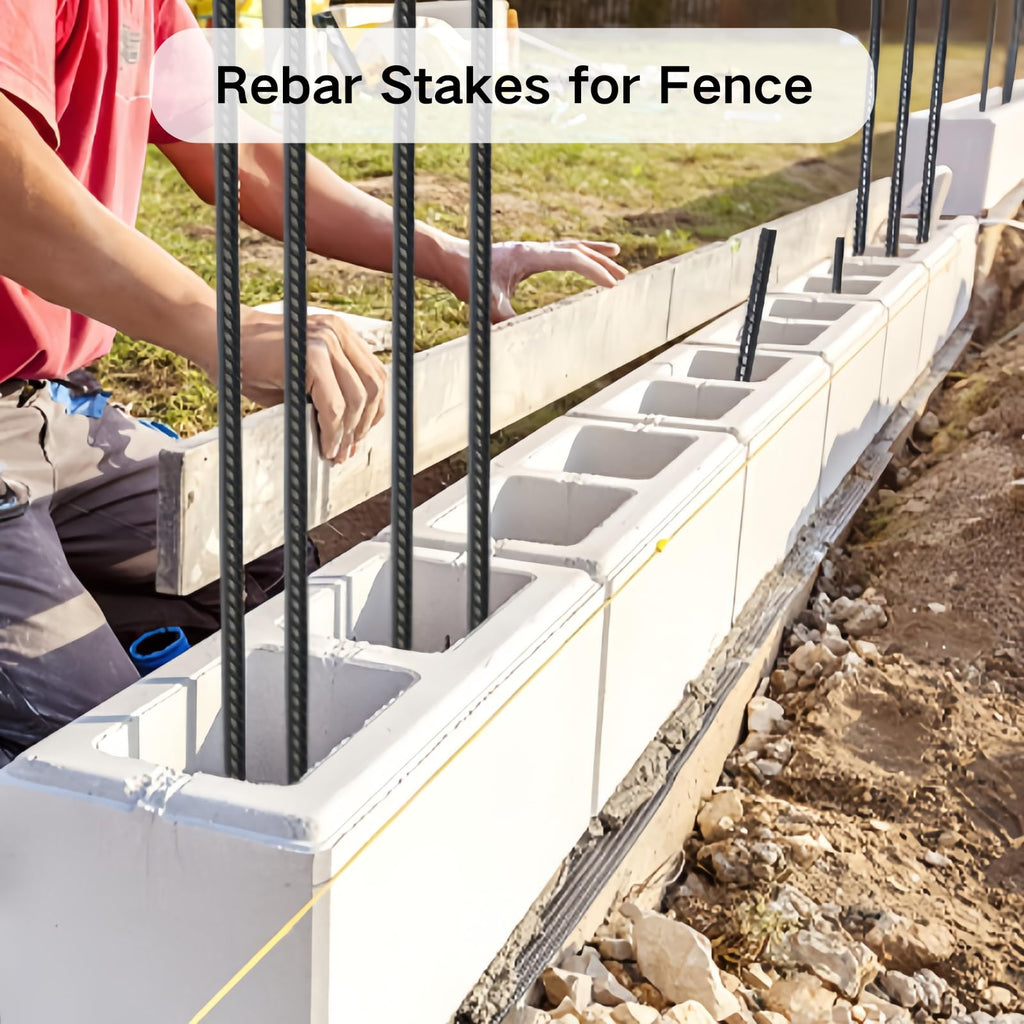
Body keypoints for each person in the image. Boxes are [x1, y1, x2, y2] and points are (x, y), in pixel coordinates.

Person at [0, 0, 627, 766]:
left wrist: (448, 254)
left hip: (45, 403)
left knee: (263, 568)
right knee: (93, 756)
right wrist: (220, 327)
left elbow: (250, 159)